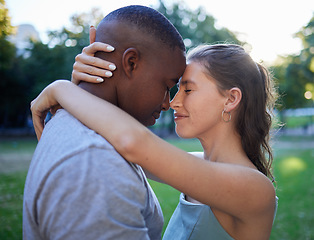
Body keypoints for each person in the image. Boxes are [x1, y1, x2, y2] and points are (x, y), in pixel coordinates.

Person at [31, 43, 278, 239]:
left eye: (188, 90)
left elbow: (133, 142)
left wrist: (61, 89)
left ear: (231, 99)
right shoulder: (200, 166)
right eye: (176, 88)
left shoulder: (255, 190)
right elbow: (116, 137)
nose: (173, 102)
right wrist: (90, 81)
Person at [23, 5, 186, 240]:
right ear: (131, 63)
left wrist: (65, 89)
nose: (167, 103)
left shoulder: (98, 136)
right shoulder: (93, 164)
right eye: (167, 86)